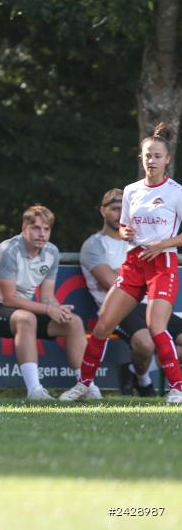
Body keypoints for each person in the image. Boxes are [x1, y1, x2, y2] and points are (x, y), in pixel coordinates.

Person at [62, 124, 182, 403]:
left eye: (156, 156)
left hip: (162, 262)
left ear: (168, 159)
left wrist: (163, 244)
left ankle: (177, 386)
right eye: (147, 156)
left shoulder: (176, 192)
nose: (151, 161)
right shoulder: (131, 190)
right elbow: (126, 227)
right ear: (141, 158)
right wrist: (126, 232)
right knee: (104, 324)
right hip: (135, 261)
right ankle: (84, 385)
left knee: (155, 326)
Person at [0, 205, 91, 400]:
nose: (41, 233)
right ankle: (35, 390)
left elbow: (47, 296)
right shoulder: (9, 249)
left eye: (46, 229)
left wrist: (57, 309)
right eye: (35, 227)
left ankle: (87, 387)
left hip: (18, 310)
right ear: (23, 228)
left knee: (73, 322)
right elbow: (8, 299)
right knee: (26, 319)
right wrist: (47, 309)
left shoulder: (52, 252)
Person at [79, 188, 182, 396]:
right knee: (146, 342)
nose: (119, 215)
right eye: (114, 209)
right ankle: (142, 382)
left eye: (122, 209)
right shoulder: (94, 244)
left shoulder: (140, 241)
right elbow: (111, 281)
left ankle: (136, 371)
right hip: (123, 306)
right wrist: (134, 274)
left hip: (149, 300)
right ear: (103, 211)